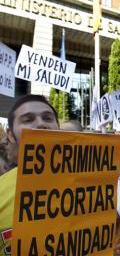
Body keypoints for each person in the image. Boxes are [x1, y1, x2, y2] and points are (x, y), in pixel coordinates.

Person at [0, 95, 60, 255]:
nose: (41, 124)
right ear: (10, 135)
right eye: (28, 119)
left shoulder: (91, 184)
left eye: (48, 118)